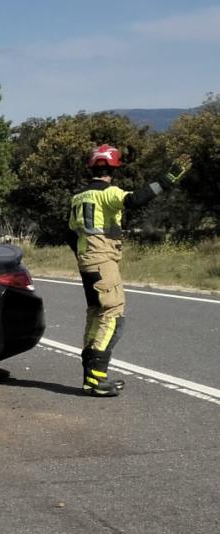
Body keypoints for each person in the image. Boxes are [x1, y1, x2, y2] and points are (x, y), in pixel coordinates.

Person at [67, 144, 191, 397]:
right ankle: (96, 379)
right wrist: (167, 180)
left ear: (92, 167)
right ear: (113, 168)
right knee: (113, 315)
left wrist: (85, 255)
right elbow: (134, 199)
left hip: (86, 262)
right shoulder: (109, 192)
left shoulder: (78, 197)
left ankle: (91, 378)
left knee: (95, 315)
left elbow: (70, 234)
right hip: (103, 260)